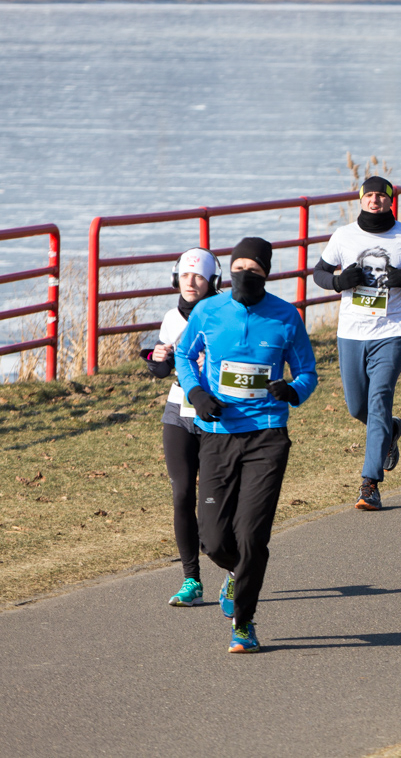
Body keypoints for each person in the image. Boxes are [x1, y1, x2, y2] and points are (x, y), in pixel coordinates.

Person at [176, 237, 318, 654]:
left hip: (267, 434)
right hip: (217, 433)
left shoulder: (285, 316)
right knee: (215, 539)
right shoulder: (209, 310)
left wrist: (290, 391)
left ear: (265, 274)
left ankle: (244, 623)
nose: (244, 275)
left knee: (252, 534)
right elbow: (184, 355)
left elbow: (307, 372)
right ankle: (236, 571)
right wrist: (196, 394)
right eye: (237, 267)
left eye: (253, 270)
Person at [312, 176, 401, 512]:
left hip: (392, 330)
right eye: (369, 195)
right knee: (358, 407)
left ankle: (369, 485)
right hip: (351, 332)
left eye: (380, 196)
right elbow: (320, 273)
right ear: (361, 199)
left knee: (380, 397)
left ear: (390, 200)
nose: (374, 201)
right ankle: (390, 430)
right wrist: (340, 281)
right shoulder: (344, 236)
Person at [140, 247, 220, 608]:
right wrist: (155, 358)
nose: (191, 282)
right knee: (182, 493)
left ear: (211, 281)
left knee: (215, 503)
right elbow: (160, 369)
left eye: (199, 276)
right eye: (185, 276)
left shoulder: (225, 313)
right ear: (176, 279)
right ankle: (192, 580)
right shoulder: (172, 317)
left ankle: (234, 572)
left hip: (217, 413)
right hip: (178, 410)